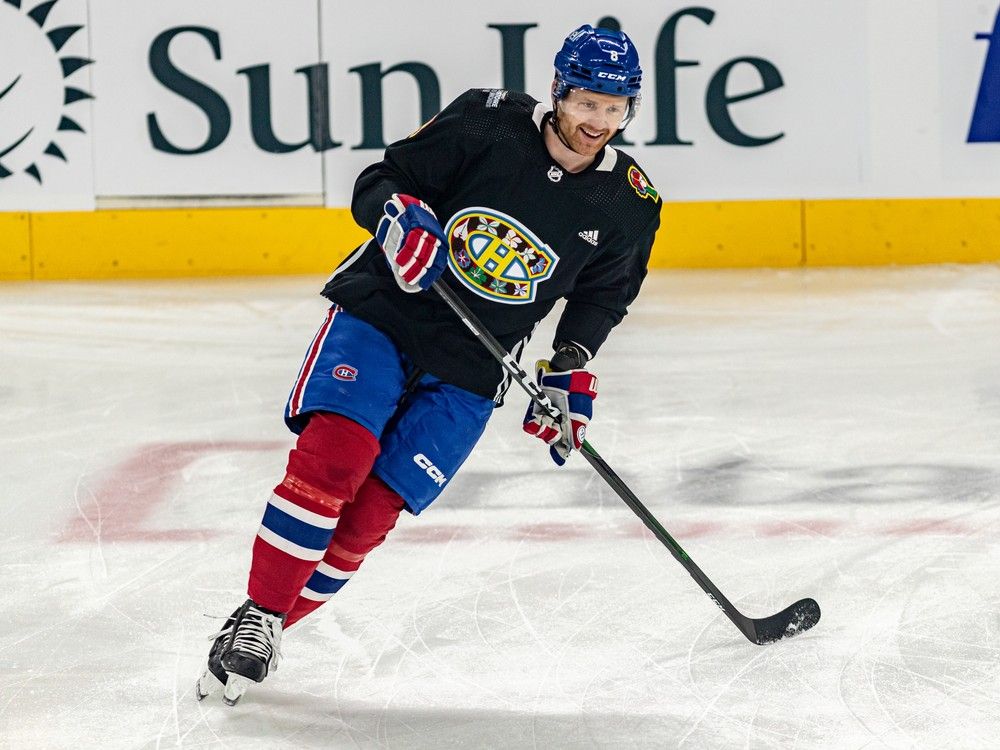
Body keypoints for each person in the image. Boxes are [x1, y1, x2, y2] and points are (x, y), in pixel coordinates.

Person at [196, 23, 662, 706]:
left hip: (476, 362)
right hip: (388, 312)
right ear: (559, 91)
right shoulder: (487, 123)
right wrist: (399, 214)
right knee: (335, 460)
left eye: (614, 107)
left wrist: (569, 365)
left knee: (369, 516)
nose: (597, 121)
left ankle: (262, 624)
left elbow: (602, 297)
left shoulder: (628, 201)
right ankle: (263, 611)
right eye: (587, 102)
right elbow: (379, 181)